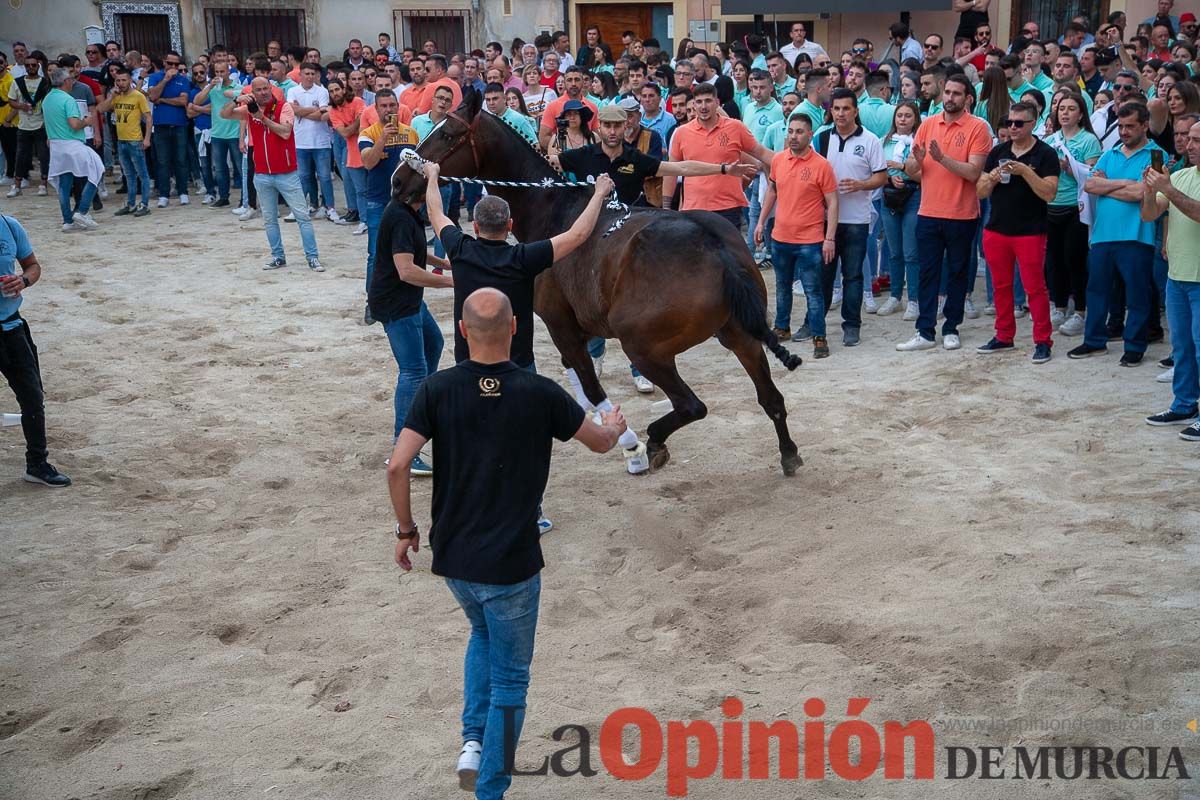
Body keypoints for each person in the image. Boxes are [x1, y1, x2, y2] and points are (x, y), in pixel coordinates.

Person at [388, 286, 627, 800]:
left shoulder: (435, 388)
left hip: (454, 557)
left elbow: (398, 464)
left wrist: (406, 532)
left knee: (482, 635)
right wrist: (614, 424)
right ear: (516, 327)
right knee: (512, 680)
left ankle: (472, 742)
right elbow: (601, 443)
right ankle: (490, 789)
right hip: (512, 563)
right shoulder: (540, 392)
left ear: (461, 330)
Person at [897, 74, 991, 352]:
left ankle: (951, 327)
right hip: (928, 210)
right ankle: (925, 331)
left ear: (967, 98)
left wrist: (942, 159)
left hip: (962, 213)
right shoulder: (927, 125)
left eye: (956, 94)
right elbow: (914, 170)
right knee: (927, 272)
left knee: (958, 272)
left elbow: (974, 172)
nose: (949, 98)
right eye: (947, 92)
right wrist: (915, 161)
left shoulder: (978, 128)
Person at [1071, 103, 1161, 365]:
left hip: (1137, 236)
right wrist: (1126, 184)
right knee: (1096, 290)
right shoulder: (1109, 153)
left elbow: (1143, 193)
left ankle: (1134, 345)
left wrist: (1107, 186)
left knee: (1137, 295)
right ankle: (1094, 341)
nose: (1123, 131)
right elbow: (1090, 184)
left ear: (1145, 126)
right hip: (1102, 236)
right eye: (1120, 126)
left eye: (1130, 126)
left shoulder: (1156, 155)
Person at [974, 100, 1060, 363]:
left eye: (1018, 123)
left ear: (1033, 124)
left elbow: (1049, 193)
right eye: (1009, 122)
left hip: (1030, 231)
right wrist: (992, 178)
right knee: (1000, 286)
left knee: (1035, 288)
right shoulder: (998, 150)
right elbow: (980, 191)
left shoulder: (1045, 154)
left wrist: (1024, 171)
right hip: (997, 228)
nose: (1012, 127)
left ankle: (1043, 340)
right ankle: (1003, 335)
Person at [220, 77, 323, 272]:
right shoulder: (248, 110)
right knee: (269, 219)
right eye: (258, 90)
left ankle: (312, 257)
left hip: (287, 173)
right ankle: (278, 256)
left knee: (302, 217)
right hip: (262, 173)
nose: (263, 92)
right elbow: (224, 114)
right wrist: (237, 100)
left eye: (266, 88)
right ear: (253, 92)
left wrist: (262, 118)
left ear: (271, 89)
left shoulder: (284, 107)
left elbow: (285, 132)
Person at [756, 114, 838, 358]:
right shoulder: (779, 160)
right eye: (790, 131)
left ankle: (819, 337)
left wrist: (829, 238)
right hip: (781, 237)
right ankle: (782, 327)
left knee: (813, 290)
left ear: (810, 135)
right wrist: (761, 222)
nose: (793, 136)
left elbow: (832, 203)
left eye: (799, 132)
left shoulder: (821, 165)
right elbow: (772, 191)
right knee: (782, 286)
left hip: (810, 240)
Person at [0, 213, 70, 487]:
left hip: (12, 327)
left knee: (32, 396)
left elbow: (32, 265)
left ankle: (37, 464)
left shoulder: (9, 225)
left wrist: (23, 281)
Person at [816, 88, 887, 347]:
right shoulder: (822, 139)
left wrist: (861, 184)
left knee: (853, 275)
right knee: (822, 274)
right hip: (825, 220)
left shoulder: (870, 140)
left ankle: (852, 325)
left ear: (856, 111)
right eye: (836, 108)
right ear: (830, 111)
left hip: (857, 219)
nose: (841, 113)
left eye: (846, 108)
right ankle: (815, 322)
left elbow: (881, 176)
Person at [1143, 119, 1200, 438]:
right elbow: (1149, 215)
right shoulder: (1178, 176)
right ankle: (1184, 405)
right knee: (1182, 347)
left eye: (1197, 140)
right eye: (1189, 139)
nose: (1190, 145)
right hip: (1178, 275)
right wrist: (1151, 192)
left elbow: (1197, 211)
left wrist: (1168, 190)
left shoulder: (1175, 182)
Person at [668, 82, 774, 231]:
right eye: (699, 102)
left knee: (728, 254)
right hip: (694, 210)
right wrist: (666, 208)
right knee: (697, 254)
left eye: (708, 101)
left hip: (728, 208)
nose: (703, 106)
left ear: (717, 103)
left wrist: (789, 162)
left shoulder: (735, 127)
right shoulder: (681, 133)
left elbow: (761, 153)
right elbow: (670, 171)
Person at [360, 90, 421, 324]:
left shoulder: (411, 134)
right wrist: (383, 139)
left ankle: (408, 297)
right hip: (378, 200)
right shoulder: (369, 133)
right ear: (376, 109)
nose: (388, 110)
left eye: (392, 105)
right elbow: (367, 162)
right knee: (375, 254)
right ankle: (372, 302)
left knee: (409, 252)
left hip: (405, 202)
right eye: (383, 106)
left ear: (398, 107)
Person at [1044, 92, 1101, 337]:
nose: (1065, 112)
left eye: (1071, 108)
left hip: (1076, 207)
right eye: (1061, 108)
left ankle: (1080, 310)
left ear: (1081, 114)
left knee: (1074, 259)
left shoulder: (1088, 140)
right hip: (1051, 204)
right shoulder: (1050, 140)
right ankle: (1058, 306)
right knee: (1053, 260)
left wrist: (1070, 168)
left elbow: (1094, 174)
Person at [42, 67, 104, 233]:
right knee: (97, 169)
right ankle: (82, 211)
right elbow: (75, 124)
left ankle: (67, 221)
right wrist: (87, 121)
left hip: (56, 145)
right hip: (71, 143)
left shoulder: (47, 99)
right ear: (66, 81)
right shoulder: (68, 99)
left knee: (64, 183)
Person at [879, 100, 923, 319]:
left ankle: (914, 299)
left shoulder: (918, 143)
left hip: (914, 193)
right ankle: (895, 296)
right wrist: (889, 176)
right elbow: (875, 170)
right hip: (890, 196)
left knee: (911, 252)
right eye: (899, 115)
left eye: (907, 115)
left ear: (915, 119)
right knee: (894, 251)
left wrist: (902, 168)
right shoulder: (883, 142)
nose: (902, 119)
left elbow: (926, 175)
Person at [287, 62, 342, 223]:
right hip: (300, 142)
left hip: (321, 142)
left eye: (313, 74)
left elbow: (324, 115)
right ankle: (305, 207)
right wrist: (313, 109)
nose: (310, 77)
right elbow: (291, 110)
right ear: (300, 75)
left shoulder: (323, 91)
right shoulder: (292, 90)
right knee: (304, 176)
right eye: (307, 74)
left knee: (324, 177)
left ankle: (330, 207)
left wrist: (301, 111)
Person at [98, 66, 152, 216]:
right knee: (128, 174)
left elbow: (148, 117)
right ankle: (130, 203)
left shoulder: (138, 96)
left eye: (123, 80)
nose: (121, 83)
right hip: (121, 140)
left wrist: (147, 138)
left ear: (130, 81)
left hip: (135, 140)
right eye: (118, 81)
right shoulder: (116, 96)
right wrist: (111, 97)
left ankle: (145, 204)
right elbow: (101, 109)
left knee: (142, 174)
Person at [145, 51, 192, 207]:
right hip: (161, 126)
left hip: (179, 124)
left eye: (176, 64)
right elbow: (152, 97)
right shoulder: (155, 77)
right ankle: (164, 194)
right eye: (170, 63)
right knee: (162, 161)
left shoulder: (183, 79)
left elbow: (183, 100)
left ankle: (183, 192)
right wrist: (165, 80)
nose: (173, 67)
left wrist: (162, 100)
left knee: (181, 160)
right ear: (164, 62)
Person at [193, 59, 242, 208]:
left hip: (234, 133)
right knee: (220, 168)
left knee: (240, 168)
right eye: (217, 72)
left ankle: (245, 199)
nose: (220, 74)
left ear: (228, 72)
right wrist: (209, 86)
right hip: (217, 133)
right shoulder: (213, 89)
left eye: (222, 71)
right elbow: (197, 100)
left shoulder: (238, 87)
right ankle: (223, 196)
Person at [6, 51, 50, 198]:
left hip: (40, 125)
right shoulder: (17, 82)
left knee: (44, 156)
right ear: (24, 67)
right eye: (28, 65)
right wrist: (21, 106)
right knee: (20, 156)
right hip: (23, 124)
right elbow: (11, 101)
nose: (31, 67)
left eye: (33, 65)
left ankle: (43, 184)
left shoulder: (45, 83)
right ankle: (17, 185)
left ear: (38, 66)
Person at [328, 78, 366, 232]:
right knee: (357, 187)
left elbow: (364, 125)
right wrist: (356, 123)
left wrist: (352, 127)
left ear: (343, 89)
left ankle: (368, 219)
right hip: (352, 151)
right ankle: (360, 217)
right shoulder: (333, 111)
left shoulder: (357, 101)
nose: (335, 93)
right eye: (331, 91)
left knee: (367, 188)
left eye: (337, 89)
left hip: (366, 148)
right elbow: (345, 133)